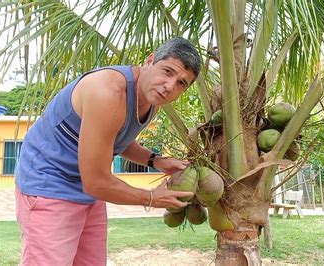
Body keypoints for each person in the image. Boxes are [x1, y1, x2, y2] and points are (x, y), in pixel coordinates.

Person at [14, 37, 202, 265]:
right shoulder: (108, 92)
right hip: (49, 181)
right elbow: (95, 182)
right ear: (150, 61)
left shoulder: (151, 99)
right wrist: (152, 198)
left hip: (89, 188)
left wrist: (156, 161)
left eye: (181, 83)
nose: (169, 86)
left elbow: (114, 139)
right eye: (167, 71)